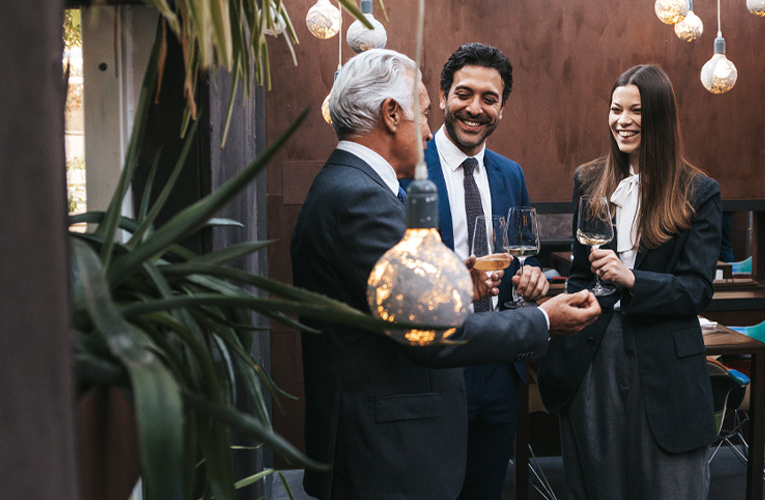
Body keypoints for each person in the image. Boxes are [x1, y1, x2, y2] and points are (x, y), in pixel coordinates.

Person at [289, 49, 601, 500]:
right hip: (385, 451)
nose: (428, 124)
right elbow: (429, 333)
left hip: (399, 434)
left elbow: (393, 302)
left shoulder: (350, 185)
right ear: (392, 114)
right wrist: (545, 321)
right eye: (424, 109)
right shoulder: (362, 198)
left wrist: (458, 283)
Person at [537, 64, 721, 499]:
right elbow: (580, 275)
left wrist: (633, 278)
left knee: (669, 484)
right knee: (600, 482)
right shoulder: (589, 179)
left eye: (636, 110)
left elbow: (697, 289)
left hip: (664, 359)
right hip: (594, 353)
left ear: (659, 115)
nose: (623, 120)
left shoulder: (698, 191)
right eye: (616, 109)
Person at [410, 42, 547, 500]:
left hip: (499, 368)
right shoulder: (408, 172)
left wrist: (533, 280)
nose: (475, 108)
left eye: (490, 98)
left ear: (502, 108)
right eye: (464, 94)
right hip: (437, 365)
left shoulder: (511, 174)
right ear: (444, 96)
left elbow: (525, 261)